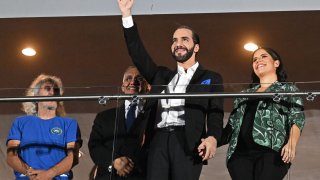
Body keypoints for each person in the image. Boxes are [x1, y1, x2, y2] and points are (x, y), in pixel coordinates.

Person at [117, 1, 224, 180]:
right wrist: (127, 14)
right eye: (174, 40)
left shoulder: (211, 77)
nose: (178, 44)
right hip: (158, 140)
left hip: (188, 141)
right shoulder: (160, 75)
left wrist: (212, 138)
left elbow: (215, 113)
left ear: (196, 47)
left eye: (184, 39)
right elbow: (137, 53)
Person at [221, 47, 305, 180]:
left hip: (272, 152)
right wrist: (210, 140)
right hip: (239, 155)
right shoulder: (243, 95)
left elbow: (297, 118)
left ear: (276, 63)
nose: (258, 60)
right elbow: (231, 127)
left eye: (263, 56)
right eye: (254, 59)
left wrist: (291, 144)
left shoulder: (288, 89)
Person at [6, 74, 82, 180]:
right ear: (36, 96)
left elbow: (73, 157)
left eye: (56, 90)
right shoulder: (20, 122)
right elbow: (11, 156)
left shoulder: (69, 123)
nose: (52, 93)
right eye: (47, 89)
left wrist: (49, 174)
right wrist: (30, 173)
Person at [88, 66, 151, 180]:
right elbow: (94, 146)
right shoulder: (104, 117)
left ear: (147, 86)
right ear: (122, 87)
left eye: (139, 79)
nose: (133, 82)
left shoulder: (154, 116)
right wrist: (114, 161)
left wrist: (132, 165)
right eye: (128, 78)